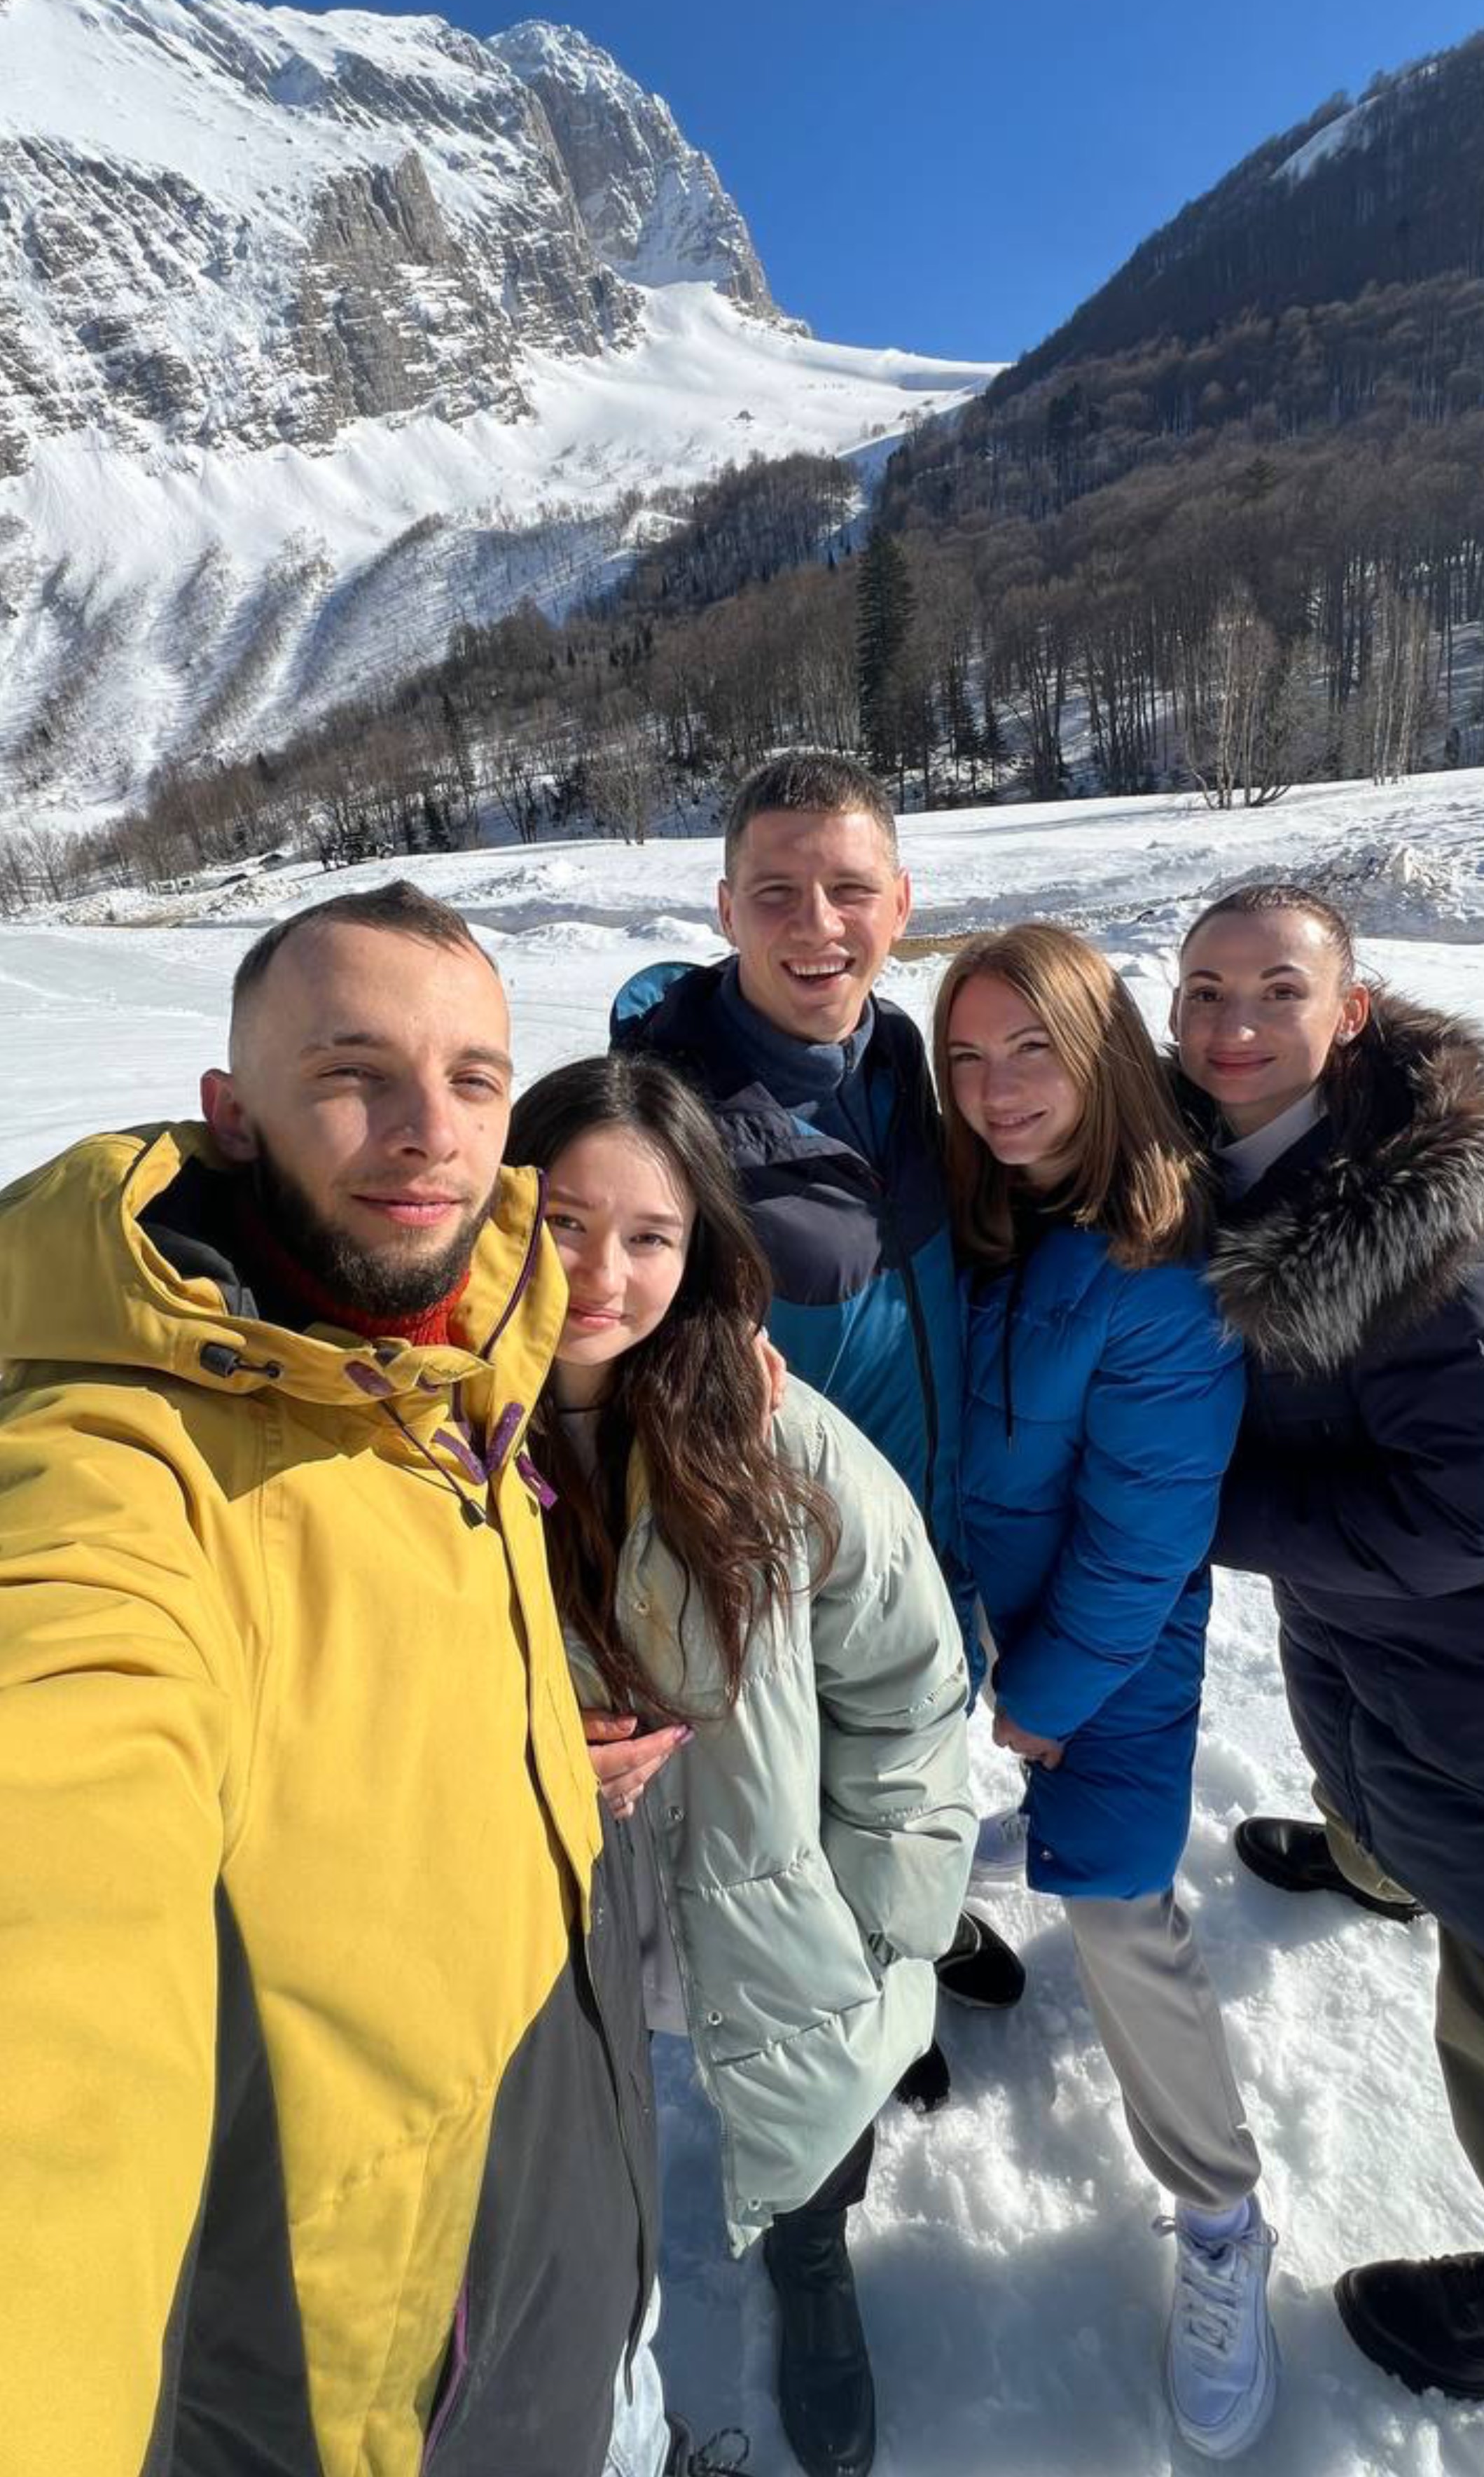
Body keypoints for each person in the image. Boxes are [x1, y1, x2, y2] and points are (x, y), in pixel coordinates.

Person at [0, 882, 656, 2476]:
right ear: (233, 1115)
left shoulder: (459, 1361)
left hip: (552, 2236)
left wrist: (512, 1747)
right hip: (356, 2398)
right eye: (356, 1074)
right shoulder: (115, 1470)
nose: (431, 1133)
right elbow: (52, 1939)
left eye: (474, 1079)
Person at [504, 1051, 975, 2477]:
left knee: (815, 2078)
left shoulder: (775, 1444)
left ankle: (814, 2258)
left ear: (700, 1249)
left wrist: (881, 1922)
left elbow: (904, 1683)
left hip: (766, 1885)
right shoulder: (430, 1448)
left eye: (650, 1236)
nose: (602, 1275)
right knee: (568, 2158)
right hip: (545, 1903)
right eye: (563, 1223)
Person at [610, 751, 1023, 2055]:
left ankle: (913, 1924)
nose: (817, 925)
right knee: (806, 1814)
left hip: (929, 1528)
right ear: (724, 909)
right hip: (786, 1568)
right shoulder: (659, 1122)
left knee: (912, 1770)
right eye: (776, 893)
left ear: (901, 902)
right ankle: (851, 2017)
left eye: (848, 889)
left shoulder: (901, 1056)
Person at [938, 924, 1280, 2461]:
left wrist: (1050, 1695)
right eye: (966, 1057)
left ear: (1101, 1050)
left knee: (1120, 1912)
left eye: (1032, 1050)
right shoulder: (989, 1210)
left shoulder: (1156, 1267)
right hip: (1000, 1609)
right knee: (1061, 1844)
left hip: (1110, 1642)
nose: (997, 1089)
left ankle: (1220, 2217)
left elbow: (1145, 1536)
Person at [1174, 881, 1484, 2404]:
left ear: (1352, 1011)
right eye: (1204, 992)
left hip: (1482, 1675)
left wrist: (1202, 1509)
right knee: (1367, 1775)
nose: (1233, 1026)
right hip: (1374, 1635)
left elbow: (1468, 1512)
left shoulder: (1434, 1235)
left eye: (1278, 992)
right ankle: (1378, 1860)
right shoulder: (1253, 1151)